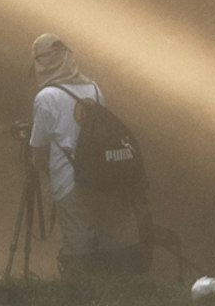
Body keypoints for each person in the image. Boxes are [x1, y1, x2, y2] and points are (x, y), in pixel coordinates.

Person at [28, 34, 153, 278]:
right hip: (103, 178)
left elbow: (39, 148)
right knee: (112, 235)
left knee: (77, 240)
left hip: (68, 181)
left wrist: (41, 167)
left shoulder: (46, 97)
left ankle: (79, 295)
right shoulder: (93, 89)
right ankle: (121, 290)